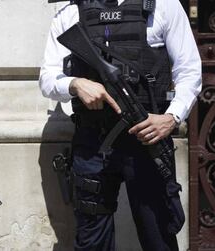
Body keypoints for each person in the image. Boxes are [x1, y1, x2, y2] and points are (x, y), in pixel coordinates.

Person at [39, 0, 201, 250]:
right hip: (93, 143)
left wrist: (172, 118)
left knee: (159, 238)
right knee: (91, 242)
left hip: (148, 140)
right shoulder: (71, 12)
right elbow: (48, 78)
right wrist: (75, 84)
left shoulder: (163, 5)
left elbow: (189, 70)